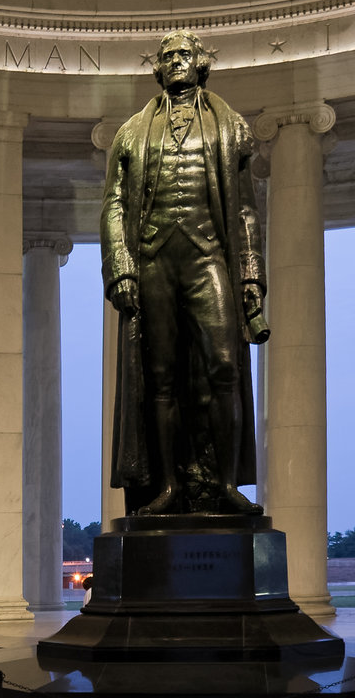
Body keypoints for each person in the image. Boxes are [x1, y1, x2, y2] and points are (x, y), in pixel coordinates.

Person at [101, 31, 270, 517]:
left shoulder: (230, 126)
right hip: (154, 259)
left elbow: (244, 211)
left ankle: (223, 485)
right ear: (157, 68)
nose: (176, 61)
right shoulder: (132, 131)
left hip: (208, 257)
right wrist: (121, 267)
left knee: (223, 365)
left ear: (201, 63)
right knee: (160, 377)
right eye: (168, 56)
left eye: (184, 54)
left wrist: (251, 277)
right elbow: (114, 204)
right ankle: (169, 487)